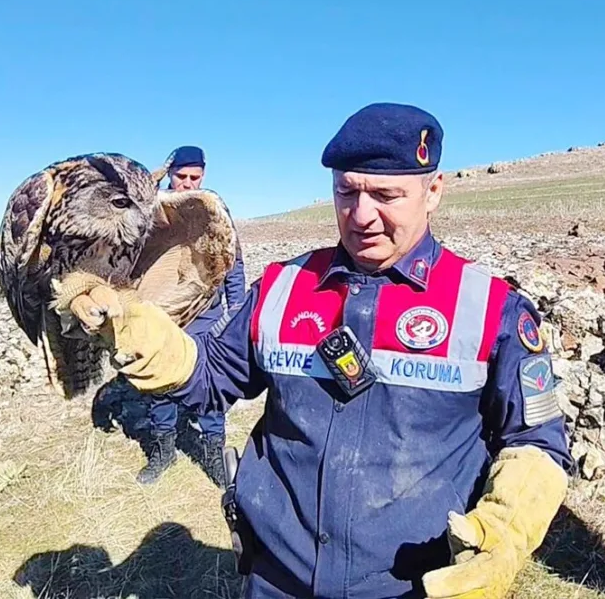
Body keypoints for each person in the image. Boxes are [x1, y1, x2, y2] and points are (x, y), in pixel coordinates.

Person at [57, 102, 573, 598]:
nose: (362, 215)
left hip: (414, 586)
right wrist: (135, 328)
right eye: (347, 192)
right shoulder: (282, 288)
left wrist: (506, 532)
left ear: (433, 191)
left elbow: (535, 440)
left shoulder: (493, 310)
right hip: (276, 577)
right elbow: (212, 378)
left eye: (386, 196)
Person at [92, 145, 247, 487]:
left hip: (206, 318)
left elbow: (233, 265)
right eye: (181, 176)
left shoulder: (211, 211)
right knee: (159, 387)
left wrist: (236, 310)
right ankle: (163, 452)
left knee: (210, 386)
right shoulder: (148, 213)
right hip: (160, 315)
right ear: (170, 173)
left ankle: (213, 455)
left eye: (195, 177)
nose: (188, 184)